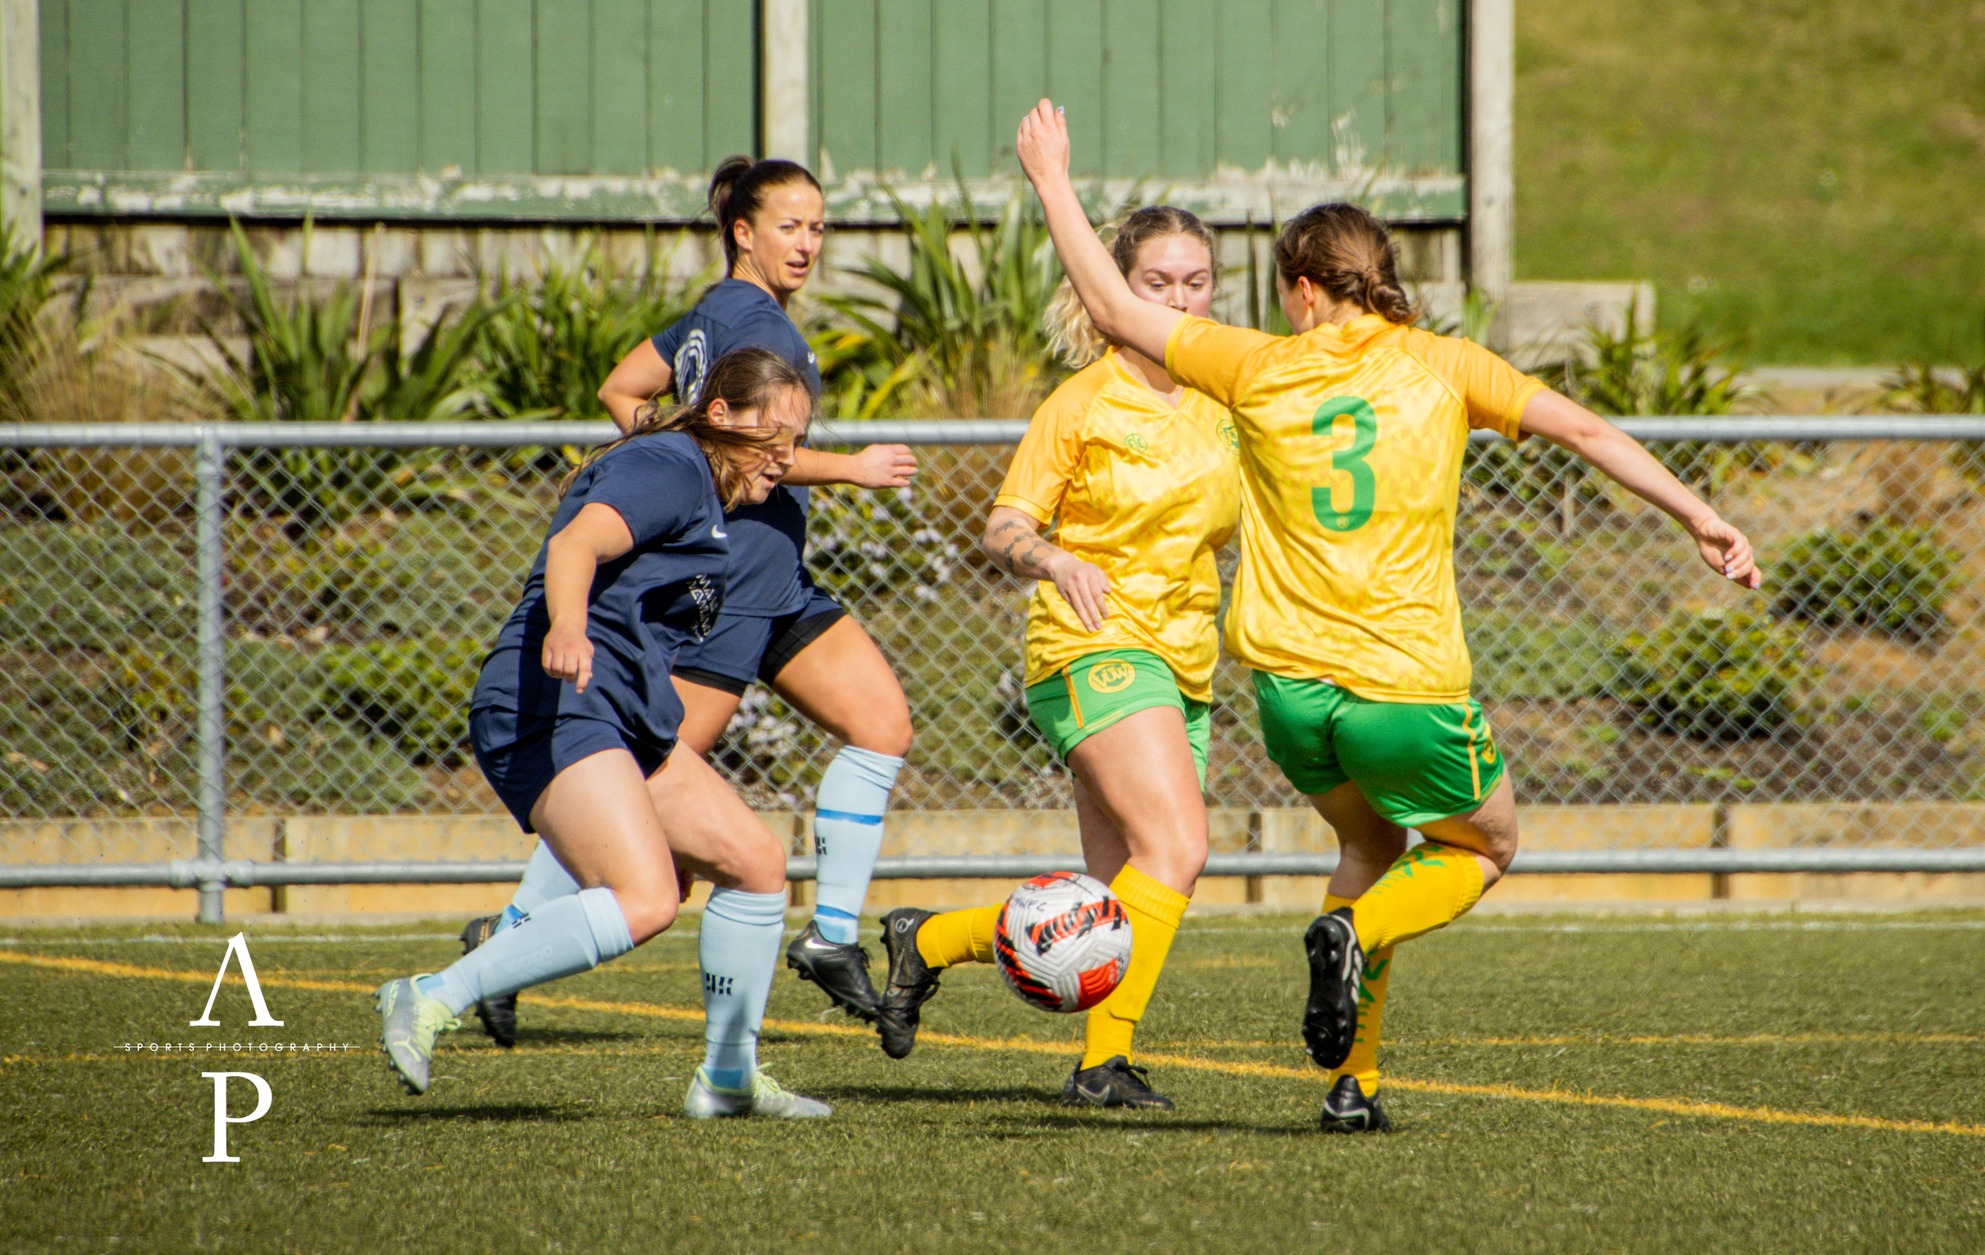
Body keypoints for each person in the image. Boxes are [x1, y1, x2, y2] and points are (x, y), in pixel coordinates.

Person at [1012, 100, 1764, 1132]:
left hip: (1289, 700)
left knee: (1366, 843)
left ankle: (1351, 1082)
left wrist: (1053, 181)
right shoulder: (1447, 364)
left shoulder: (1254, 365)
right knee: (1482, 846)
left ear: (1304, 290)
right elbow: (1583, 428)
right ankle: (1352, 939)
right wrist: (1700, 514)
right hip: (1406, 688)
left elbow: (1108, 306)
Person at [461, 155, 919, 1042]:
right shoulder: (758, 328)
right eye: (791, 225)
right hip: (727, 583)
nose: (808, 243)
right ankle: (506, 940)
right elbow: (749, 441)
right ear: (742, 231)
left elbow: (622, 391)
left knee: (882, 722)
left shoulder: (714, 314)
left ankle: (830, 936)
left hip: (777, 574)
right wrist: (853, 469)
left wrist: (669, 447)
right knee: (644, 792)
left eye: (819, 227)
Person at [376, 348, 831, 1120]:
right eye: (775, 438)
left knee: (756, 863)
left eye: (798, 440)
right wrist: (569, 628)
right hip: (553, 698)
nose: (788, 458)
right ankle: (428, 996)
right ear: (719, 416)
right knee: (646, 896)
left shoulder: (713, 490)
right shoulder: (671, 465)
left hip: (619, 710)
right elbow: (573, 545)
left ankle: (728, 1078)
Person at [869, 209, 1239, 1111]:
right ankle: (1101, 1067)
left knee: (1119, 898)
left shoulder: (1227, 400)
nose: (1180, 299)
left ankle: (930, 940)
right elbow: (1005, 526)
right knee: (1179, 847)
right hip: (1092, 647)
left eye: (1196, 281)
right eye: (1159, 283)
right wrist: (1056, 557)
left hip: (1187, 658)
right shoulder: (1083, 401)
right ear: (1116, 288)